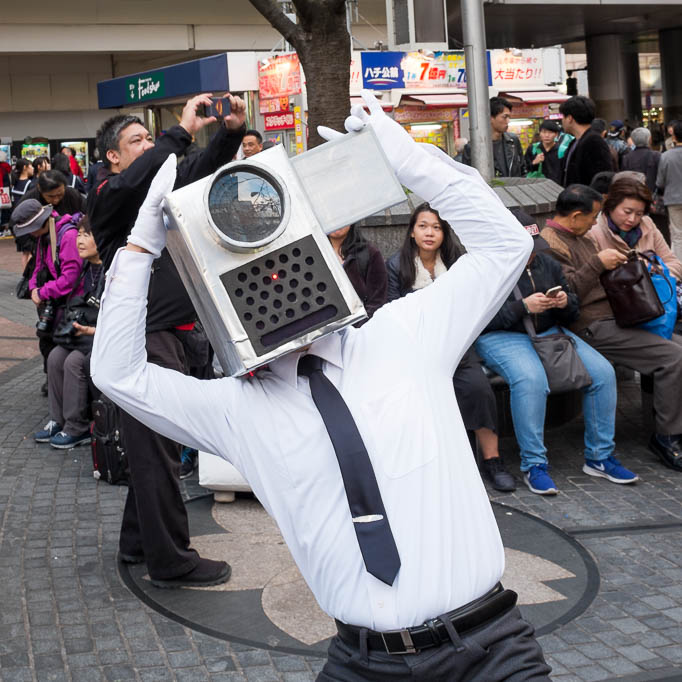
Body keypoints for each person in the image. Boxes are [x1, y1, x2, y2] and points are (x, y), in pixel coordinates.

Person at [91, 91, 550, 680]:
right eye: (249, 273)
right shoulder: (235, 409)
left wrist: (411, 163)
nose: (274, 280)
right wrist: (140, 248)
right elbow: (119, 374)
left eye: (286, 259)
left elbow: (506, 246)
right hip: (362, 661)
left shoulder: (404, 336)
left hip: (490, 648)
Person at [88, 92, 247, 589]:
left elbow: (200, 167)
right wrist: (180, 131)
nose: (148, 146)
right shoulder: (109, 196)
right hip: (143, 342)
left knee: (156, 446)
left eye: (149, 139)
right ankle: (171, 561)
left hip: (177, 337)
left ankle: (138, 542)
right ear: (113, 158)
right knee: (158, 450)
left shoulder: (159, 187)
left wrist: (230, 132)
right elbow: (140, 177)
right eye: (137, 141)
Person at [476, 221, 638, 495]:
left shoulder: (547, 264)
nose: (532, 254)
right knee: (530, 380)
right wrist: (522, 307)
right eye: (526, 248)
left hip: (550, 332)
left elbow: (572, 312)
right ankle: (534, 465)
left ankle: (599, 457)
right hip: (501, 335)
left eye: (534, 248)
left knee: (603, 373)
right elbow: (478, 320)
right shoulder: (486, 269)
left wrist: (564, 302)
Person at [541, 184, 682, 472]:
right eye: (593, 217)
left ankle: (672, 425)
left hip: (616, 316)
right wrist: (598, 263)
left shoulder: (580, 236)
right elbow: (566, 296)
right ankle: (667, 436)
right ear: (576, 216)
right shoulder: (550, 243)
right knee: (672, 358)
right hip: (590, 325)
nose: (595, 223)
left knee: (678, 348)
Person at [386, 202, 516, 492]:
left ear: (444, 233)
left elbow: (472, 304)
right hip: (416, 349)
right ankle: (434, 467)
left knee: (479, 390)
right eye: (423, 226)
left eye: (436, 227)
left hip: (457, 346)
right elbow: (391, 311)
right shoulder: (396, 266)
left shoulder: (458, 264)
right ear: (411, 232)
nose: (429, 233)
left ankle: (493, 460)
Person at [36, 216, 103, 449]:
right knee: (55, 357)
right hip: (81, 332)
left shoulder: (110, 269)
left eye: (87, 235)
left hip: (99, 334)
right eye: (79, 234)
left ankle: (77, 427)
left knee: (73, 362)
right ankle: (58, 420)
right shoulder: (85, 268)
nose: (79, 240)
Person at [9, 199, 84, 394]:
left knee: (60, 348)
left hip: (72, 303)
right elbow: (38, 266)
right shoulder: (44, 236)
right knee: (46, 340)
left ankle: (63, 388)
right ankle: (54, 383)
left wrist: (42, 292)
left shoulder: (67, 235)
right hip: (56, 300)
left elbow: (70, 278)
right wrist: (34, 288)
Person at [588, 177, 682, 279]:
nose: (632, 219)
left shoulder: (647, 224)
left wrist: (653, 269)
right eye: (627, 212)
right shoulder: (593, 232)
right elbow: (592, 278)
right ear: (611, 206)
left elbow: (675, 265)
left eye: (639, 214)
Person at [327, 224, 387, 325]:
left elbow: (377, 301)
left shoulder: (370, 253)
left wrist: (358, 328)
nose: (335, 222)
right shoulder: (313, 252)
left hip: (361, 328)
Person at [462, 97, 525, 177]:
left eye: (509, 117)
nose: (508, 121)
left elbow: (523, 169)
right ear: (490, 118)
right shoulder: (473, 147)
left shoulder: (513, 141)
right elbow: (468, 177)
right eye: (505, 117)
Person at [560, 96, 614, 186]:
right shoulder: (575, 142)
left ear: (569, 118)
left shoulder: (594, 142)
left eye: (563, 117)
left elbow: (602, 179)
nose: (562, 121)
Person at [656, 121, 682, 261]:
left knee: (677, 235)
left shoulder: (666, 156)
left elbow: (660, 182)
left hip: (673, 198)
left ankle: (679, 265)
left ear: (674, 137)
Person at [21, 170, 86, 217]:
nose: (56, 200)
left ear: (64, 187)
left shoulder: (73, 195)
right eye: (51, 196)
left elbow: (87, 213)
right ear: (39, 189)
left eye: (60, 195)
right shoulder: (29, 200)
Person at [524, 119, 564, 185]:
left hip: (557, 186)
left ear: (556, 134)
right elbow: (525, 169)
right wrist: (534, 162)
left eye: (550, 132)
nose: (547, 135)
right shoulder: (533, 149)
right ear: (540, 133)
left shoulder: (562, 150)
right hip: (538, 186)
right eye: (544, 132)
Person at [621, 128, 661, 194]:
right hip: (652, 193)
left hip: (634, 193)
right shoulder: (656, 155)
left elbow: (625, 178)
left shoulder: (626, 158)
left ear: (633, 140)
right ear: (649, 139)